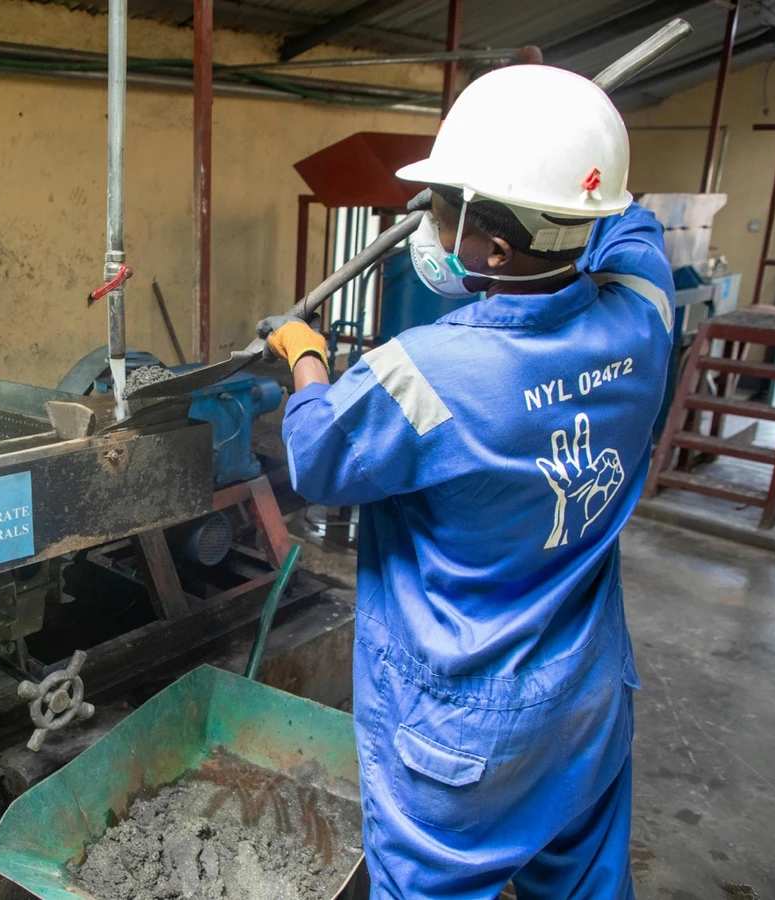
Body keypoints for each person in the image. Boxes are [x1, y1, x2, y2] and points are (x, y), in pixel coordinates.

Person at [259, 64, 674, 899]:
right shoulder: (644, 315)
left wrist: (305, 355)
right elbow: (633, 225)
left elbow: (316, 457)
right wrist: (572, 156)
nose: (429, 226)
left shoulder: (429, 372)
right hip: (586, 701)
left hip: (466, 737)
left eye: (443, 207)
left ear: (491, 245)